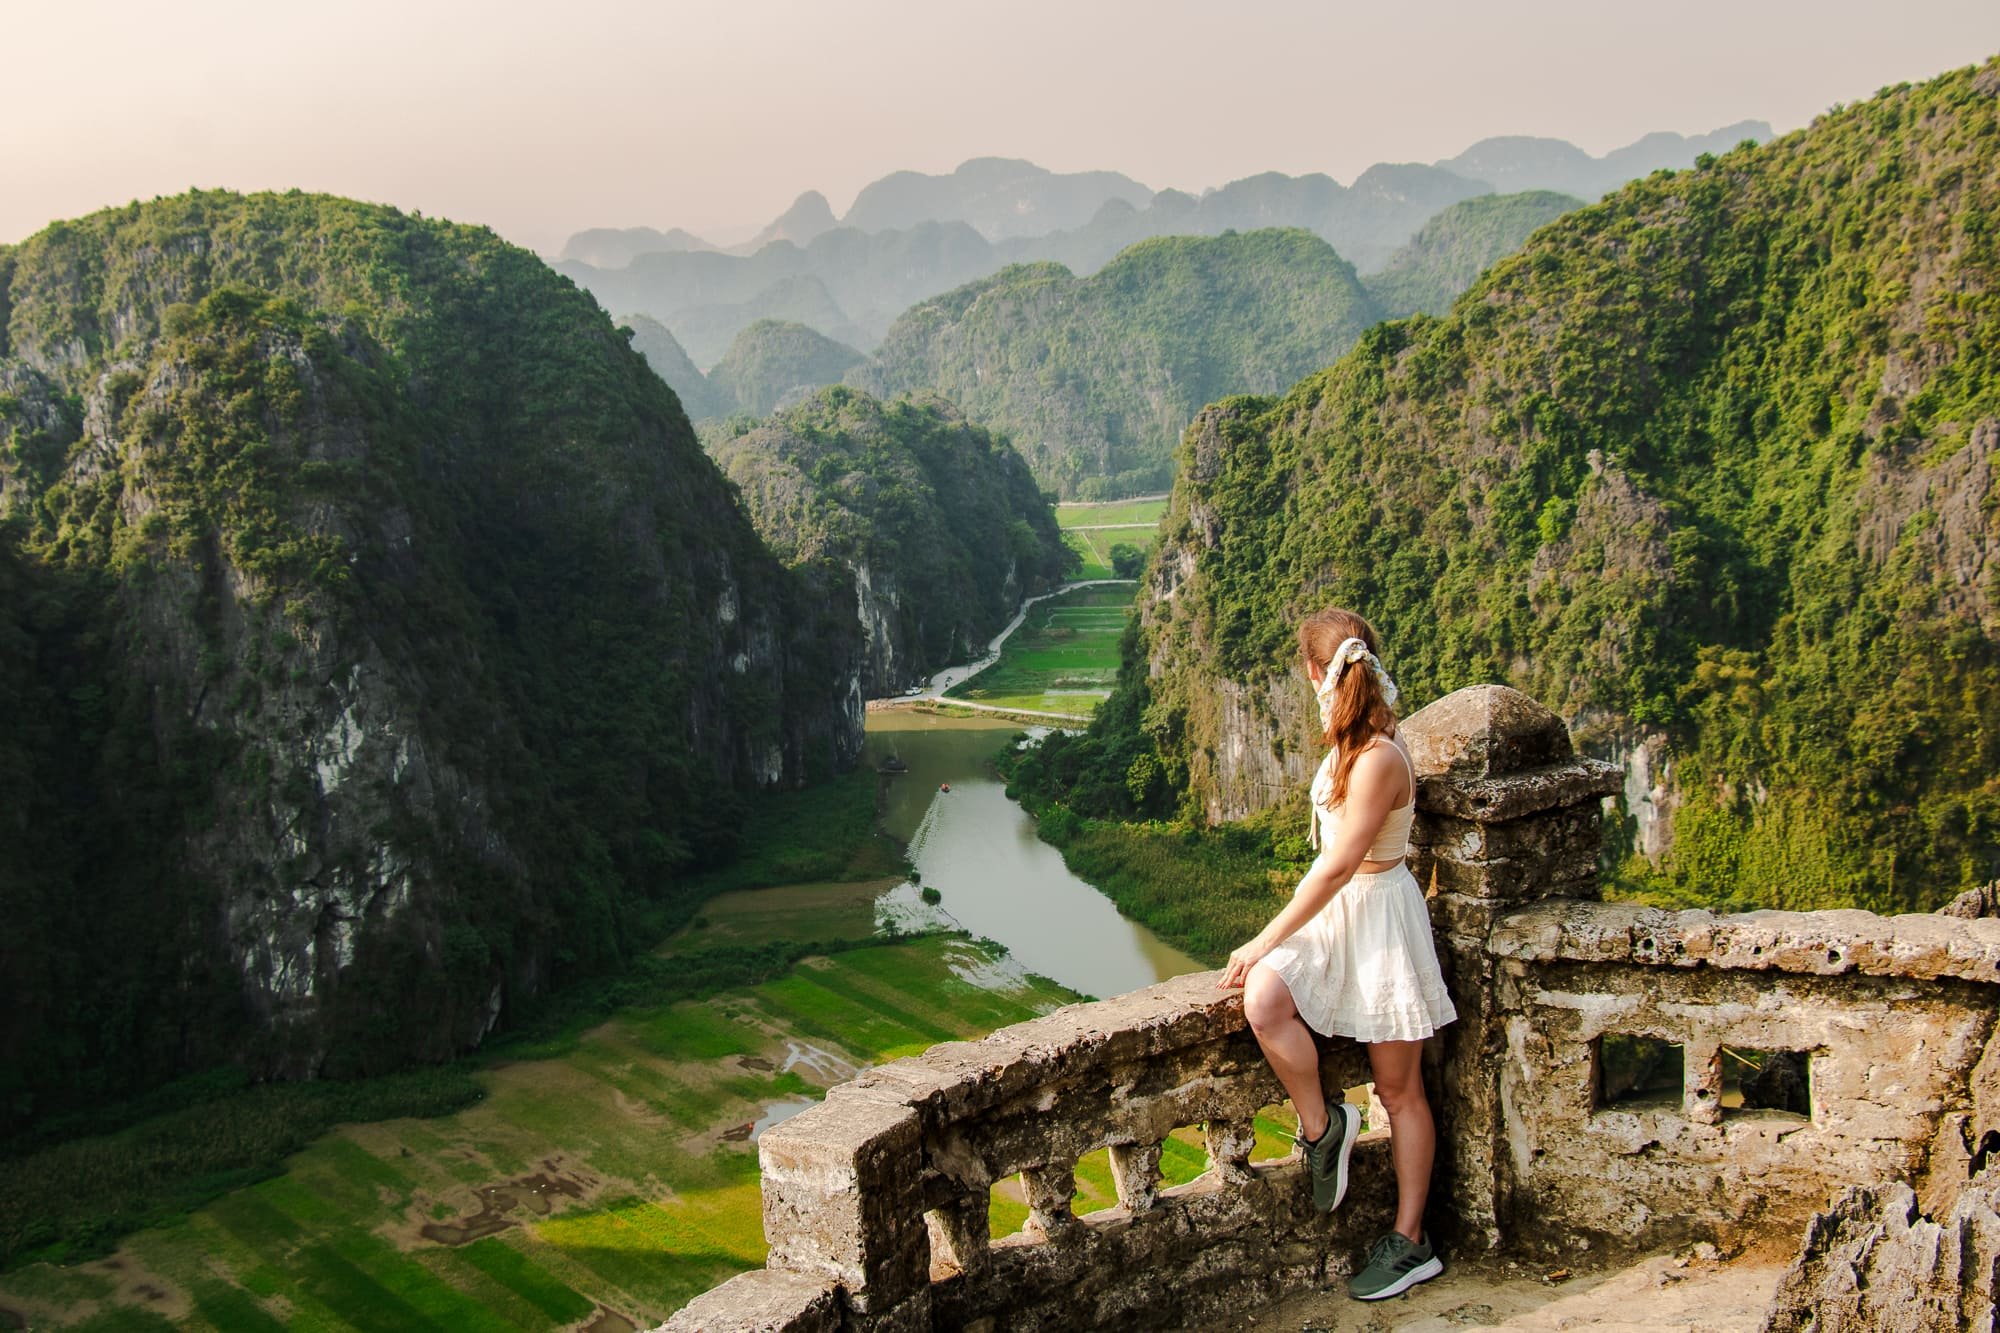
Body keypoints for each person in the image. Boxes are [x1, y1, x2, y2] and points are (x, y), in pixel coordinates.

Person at [1217, 607, 1456, 1302]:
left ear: (1315, 672)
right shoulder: (1350, 742)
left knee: (1399, 1088)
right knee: (1263, 997)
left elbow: (1338, 864)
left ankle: (1412, 1239)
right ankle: (1324, 1127)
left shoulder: (1380, 755)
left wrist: (1264, 936)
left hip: (1378, 919)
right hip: (1335, 922)